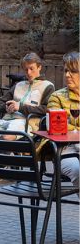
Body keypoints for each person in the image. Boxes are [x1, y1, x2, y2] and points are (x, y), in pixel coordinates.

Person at [0, 52, 54, 139]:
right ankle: (0, 152)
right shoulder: (18, 85)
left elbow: (46, 109)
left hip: (27, 123)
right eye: (26, 69)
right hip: (6, 120)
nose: (29, 73)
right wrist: (7, 107)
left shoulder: (47, 86)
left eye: (32, 69)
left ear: (39, 67)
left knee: (7, 137)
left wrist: (20, 107)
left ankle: (1, 151)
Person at [47, 52, 79, 188]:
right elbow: (58, 127)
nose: (67, 75)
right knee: (78, 171)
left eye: (72, 71)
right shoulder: (57, 97)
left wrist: (71, 126)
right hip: (64, 149)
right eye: (66, 70)